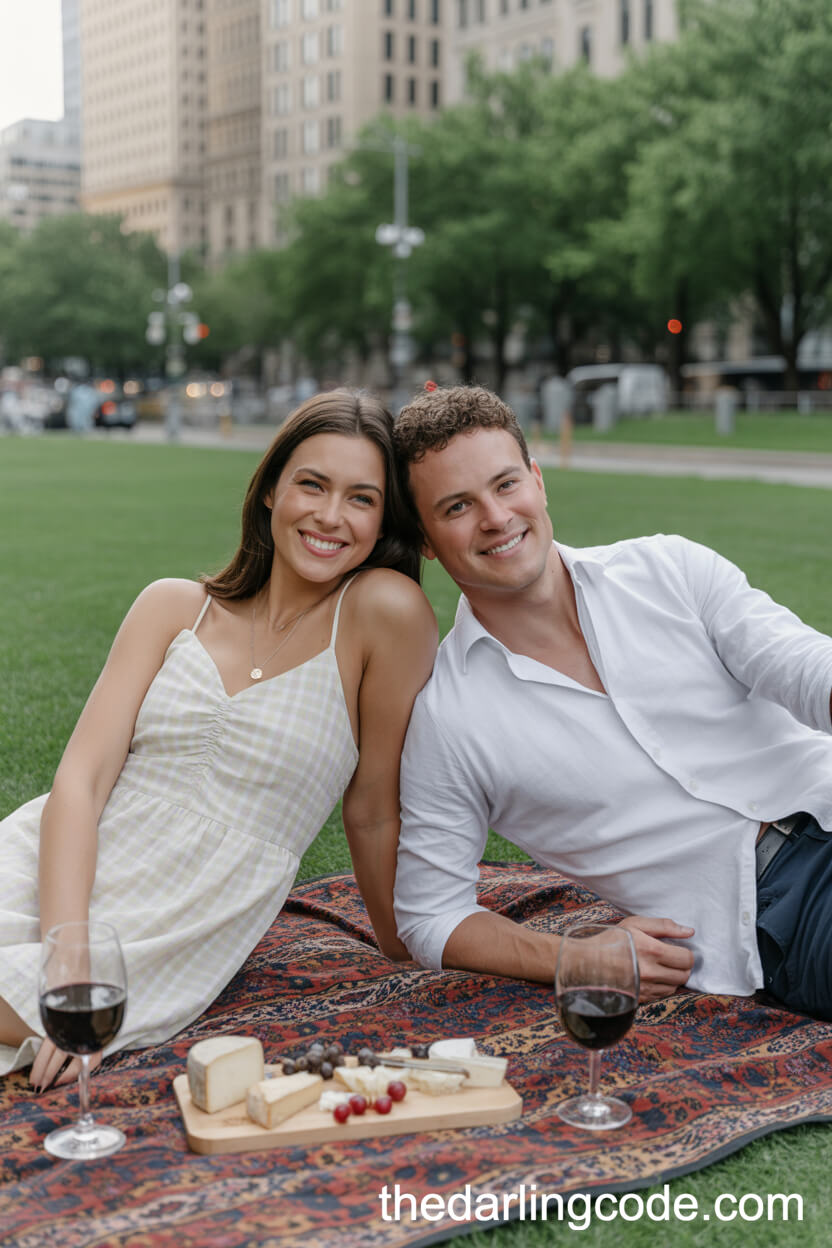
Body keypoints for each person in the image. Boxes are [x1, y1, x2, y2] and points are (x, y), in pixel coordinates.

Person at [0, 390, 437, 1087]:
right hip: (55, 870)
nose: (330, 516)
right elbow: (79, 783)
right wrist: (68, 956)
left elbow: (373, 807)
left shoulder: (382, 614)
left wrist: (399, 940)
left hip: (181, 917)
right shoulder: (171, 606)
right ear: (270, 490)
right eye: (312, 484)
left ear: (384, 518)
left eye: (361, 498)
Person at [391, 384, 832, 1019]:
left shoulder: (669, 569)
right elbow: (430, 914)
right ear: (427, 540)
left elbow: (804, 669)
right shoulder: (449, 717)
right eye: (458, 505)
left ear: (538, 482)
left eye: (506, 484)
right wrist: (572, 957)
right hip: (778, 911)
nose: (495, 516)